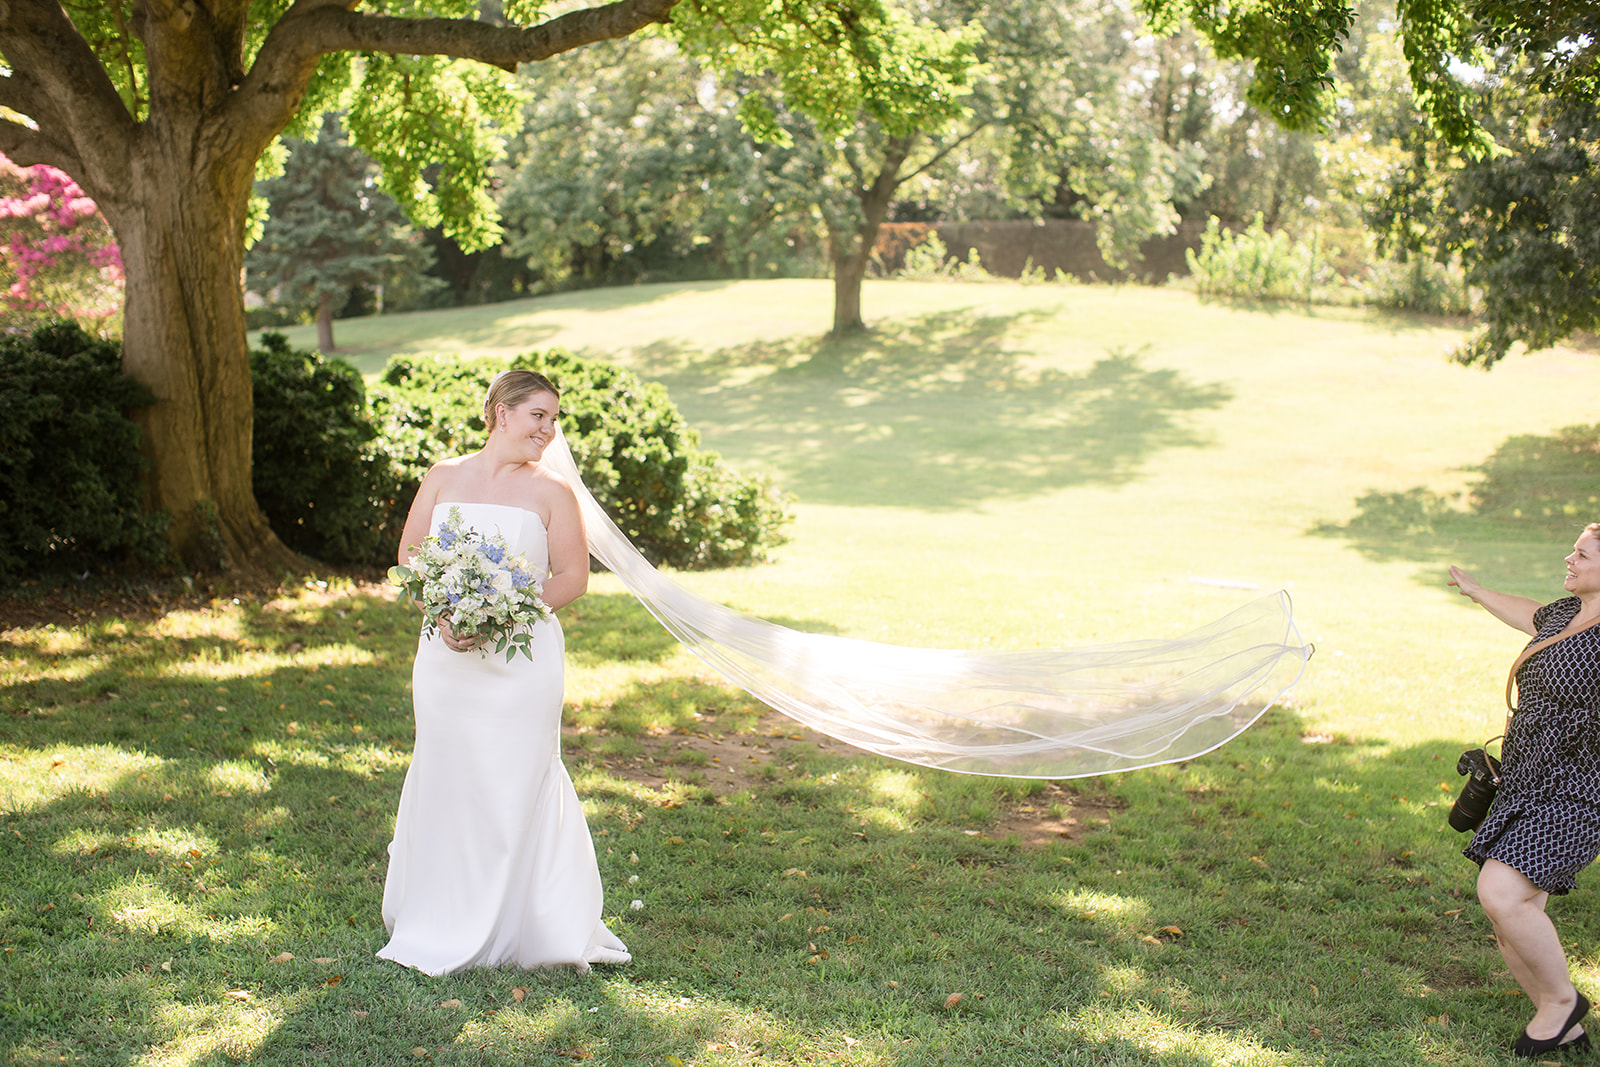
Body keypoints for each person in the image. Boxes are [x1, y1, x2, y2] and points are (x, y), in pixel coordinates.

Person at [377, 370, 630, 975]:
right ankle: (439, 912)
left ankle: (528, 921)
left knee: (514, 776)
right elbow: (411, 558)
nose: (548, 430)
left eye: (553, 419)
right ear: (499, 412)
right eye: (537, 415)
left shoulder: (552, 492)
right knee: (448, 771)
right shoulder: (443, 476)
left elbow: (572, 578)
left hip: (521, 662)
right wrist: (442, 611)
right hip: (444, 658)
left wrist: (504, 612)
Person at [1448, 522, 1600, 1058]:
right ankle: (1563, 1025)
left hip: (1581, 787)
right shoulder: (1563, 614)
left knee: (1501, 892)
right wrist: (1477, 590)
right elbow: (1528, 615)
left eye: (1582, 554)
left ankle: (1561, 1003)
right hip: (1526, 777)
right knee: (1512, 910)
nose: (1570, 557)